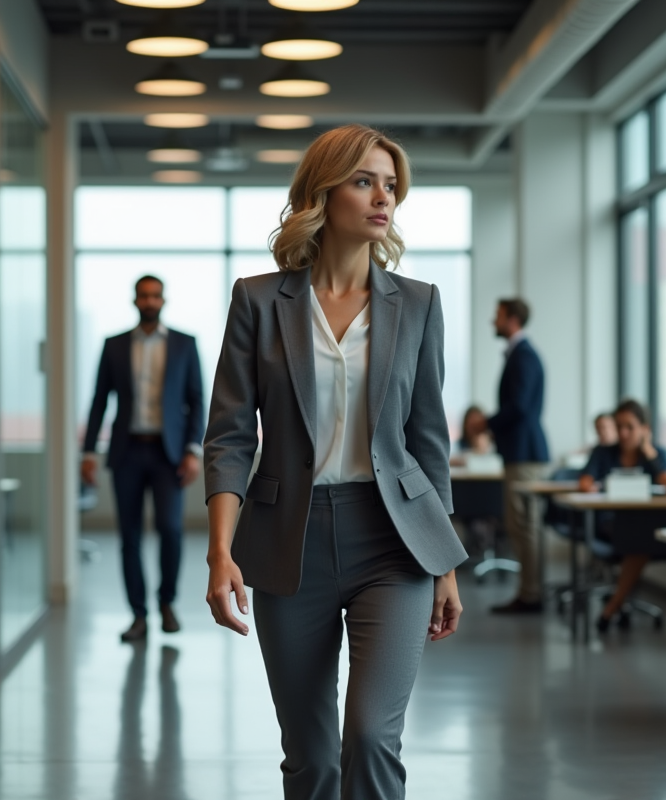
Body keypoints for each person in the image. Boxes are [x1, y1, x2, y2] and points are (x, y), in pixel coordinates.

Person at [203, 123, 467, 800]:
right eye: (364, 181)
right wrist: (220, 552)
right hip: (290, 540)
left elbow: (428, 439)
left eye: (390, 184)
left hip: (395, 541)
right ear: (323, 192)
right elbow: (230, 435)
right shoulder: (259, 301)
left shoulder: (418, 304)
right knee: (312, 757)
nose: (384, 197)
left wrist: (444, 561)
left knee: (374, 736)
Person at [82, 275, 204, 641]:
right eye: (143, 296)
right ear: (135, 301)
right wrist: (88, 451)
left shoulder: (184, 344)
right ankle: (138, 615)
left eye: (155, 295)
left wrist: (193, 450)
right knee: (129, 536)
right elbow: (99, 401)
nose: (149, 301)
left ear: (163, 300)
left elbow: (197, 399)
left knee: (170, 529)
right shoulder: (115, 345)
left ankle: (167, 603)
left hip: (169, 455)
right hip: (127, 451)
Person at [578, 398, 666, 631]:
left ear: (645, 429)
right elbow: (585, 481)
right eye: (619, 426)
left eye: (630, 427)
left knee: (640, 536)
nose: (623, 433)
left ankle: (614, 603)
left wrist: (650, 453)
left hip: (646, 525)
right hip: (610, 523)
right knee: (639, 539)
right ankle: (615, 603)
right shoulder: (604, 452)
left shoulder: (655, 453)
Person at [483, 298, 550, 614]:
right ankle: (530, 592)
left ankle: (531, 595)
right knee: (523, 525)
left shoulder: (523, 356)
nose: (492, 322)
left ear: (512, 319)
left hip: (525, 453)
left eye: (497, 317)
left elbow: (520, 407)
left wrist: (487, 423)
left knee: (525, 526)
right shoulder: (520, 354)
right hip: (521, 452)